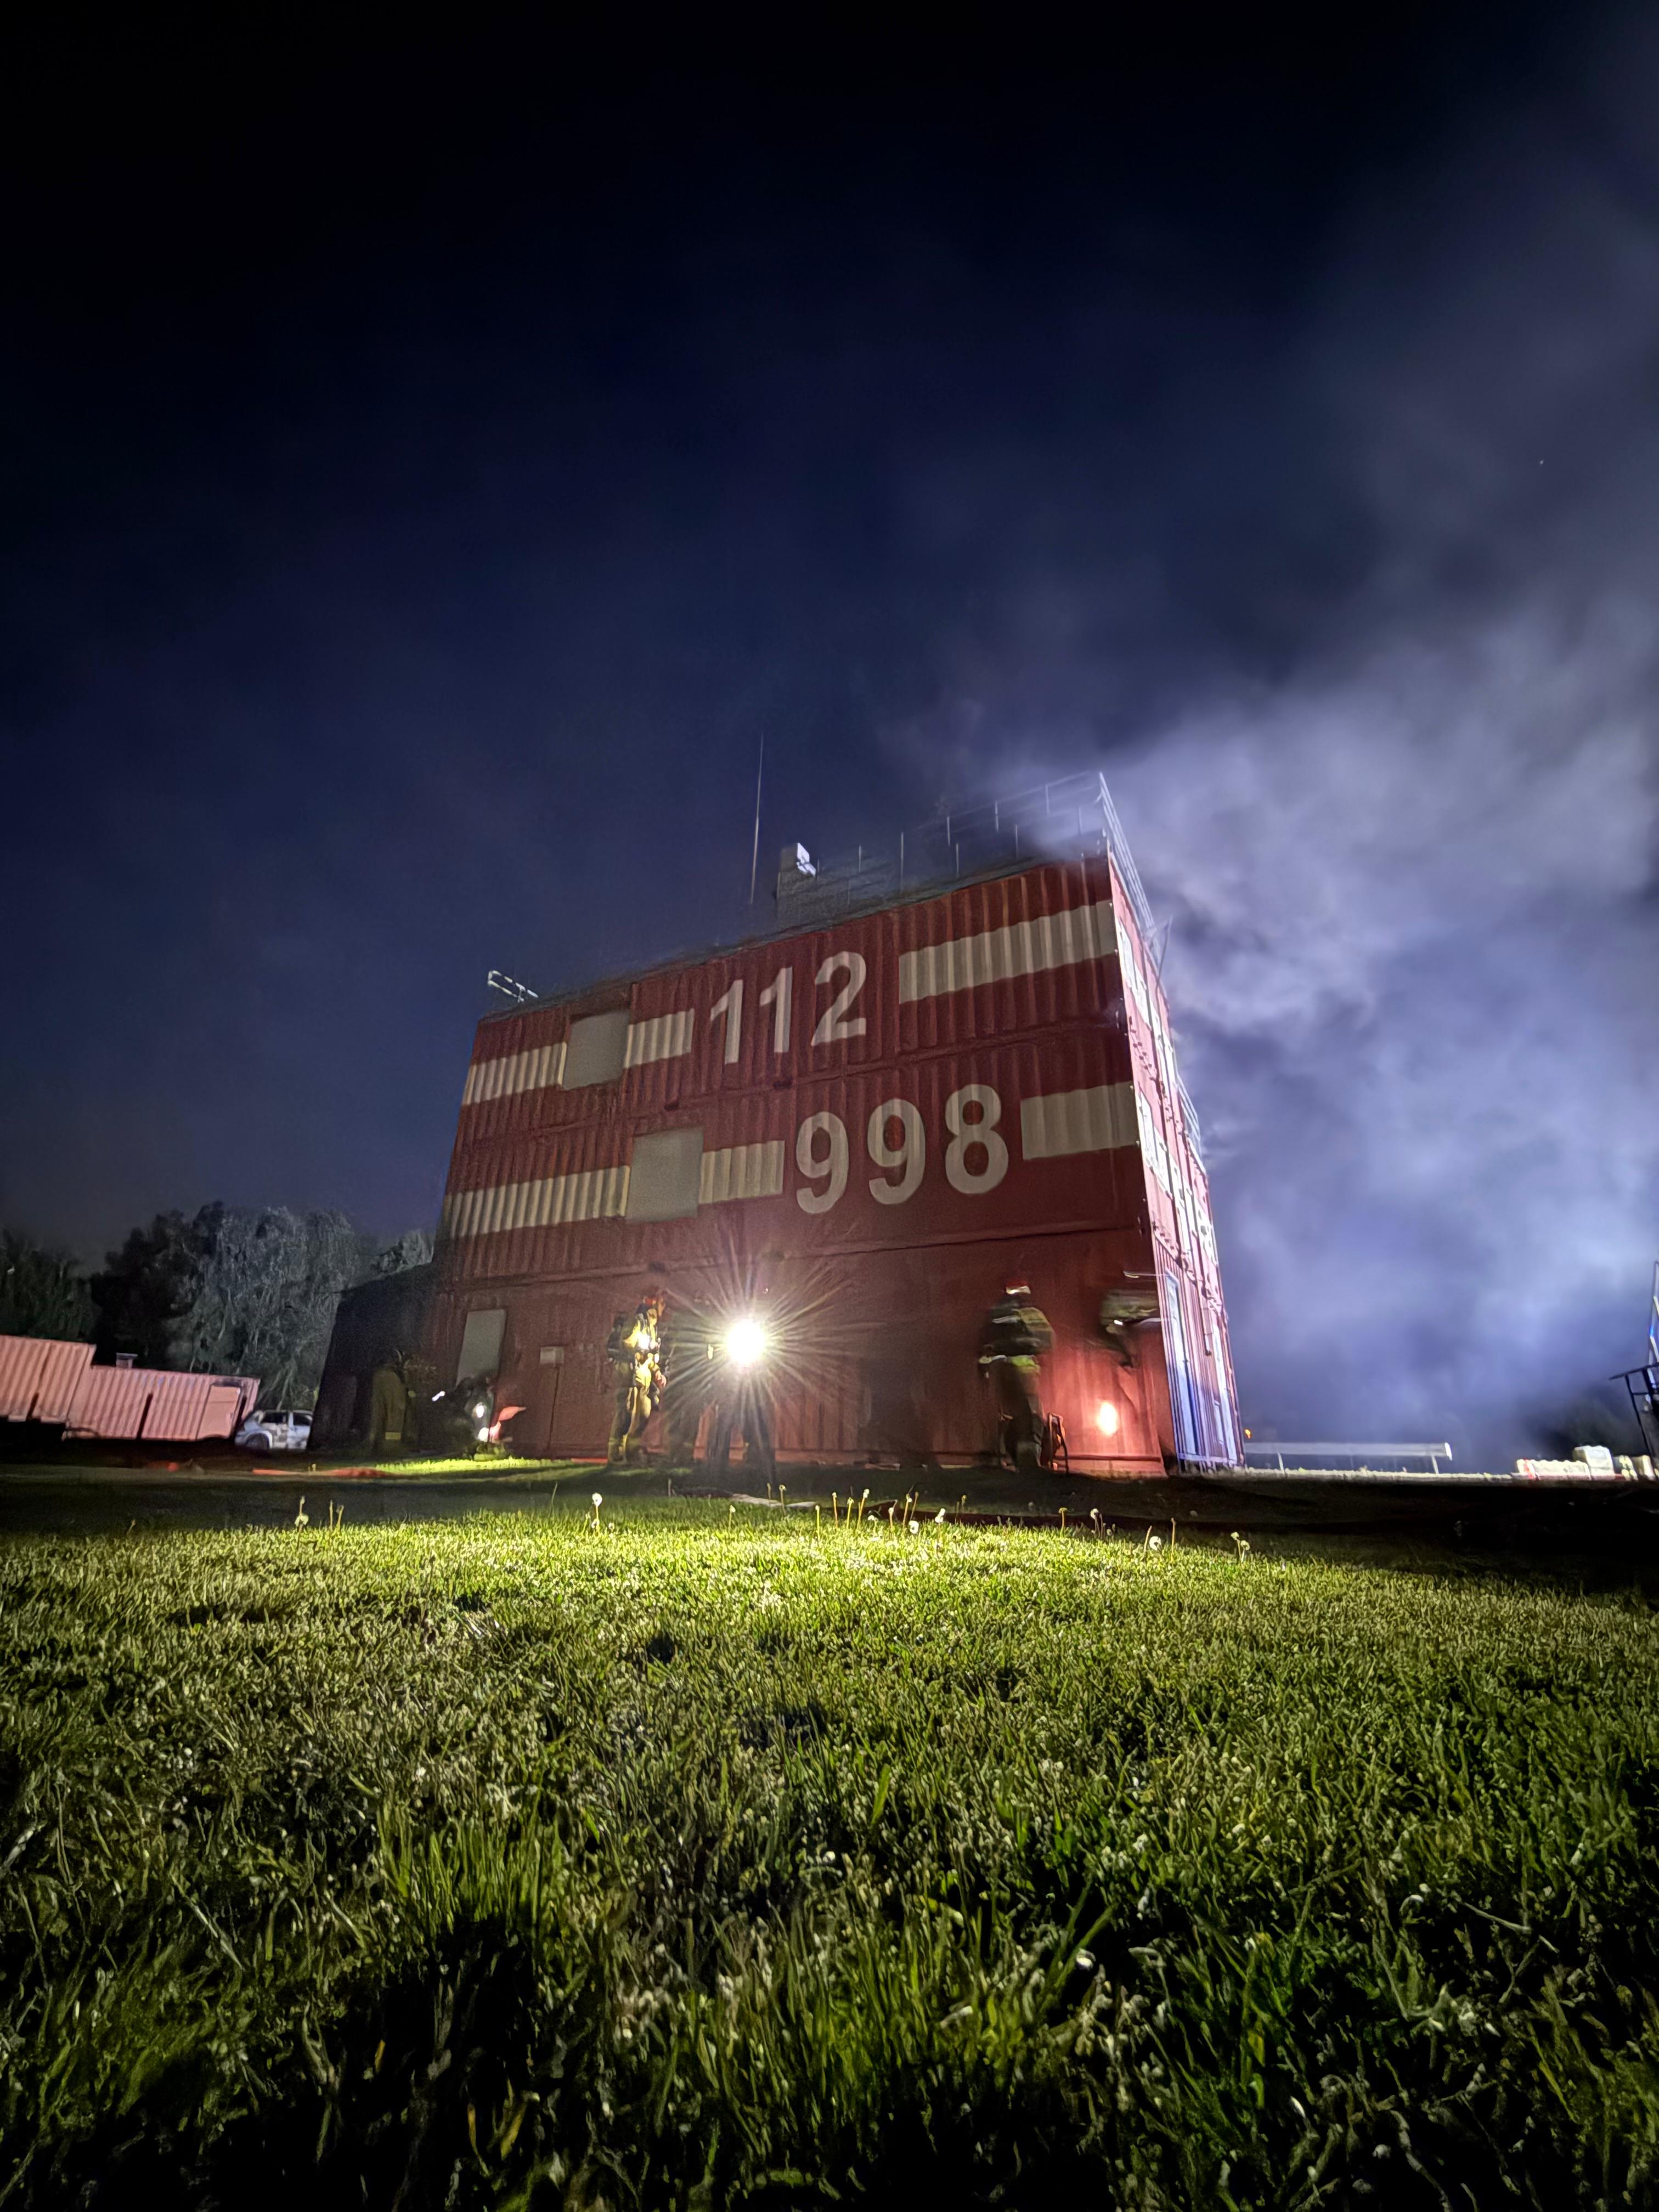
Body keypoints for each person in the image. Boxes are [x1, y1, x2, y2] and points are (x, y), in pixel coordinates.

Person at [979, 1282, 1054, 1476]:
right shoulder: (1030, 1312)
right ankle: (1027, 1461)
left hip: (1000, 1370)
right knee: (1029, 1416)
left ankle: (1002, 1458)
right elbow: (1047, 1340)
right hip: (1022, 1370)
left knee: (1006, 1417)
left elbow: (985, 1343)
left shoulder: (995, 1312)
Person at [706, 1291, 776, 1483]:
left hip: (754, 1386)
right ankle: (715, 1474)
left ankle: (762, 1475)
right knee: (723, 1429)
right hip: (730, 1384)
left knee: (757, 1429)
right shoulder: (726, 1327)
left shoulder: (761, 1326)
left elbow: (769, 1355)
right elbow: (715, 1353)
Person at [606, 1291, 664, 1464]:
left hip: (643, 1378)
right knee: (626, 1416)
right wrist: (646, 1347)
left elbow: (650, 1357)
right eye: (662, 1303)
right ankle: (616, 1455)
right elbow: (627, 1343)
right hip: (630, 1376)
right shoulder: (637, 1321)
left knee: (643, 1416)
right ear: (654, 1303)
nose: (664, 1308)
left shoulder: (652, 1326)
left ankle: (632, 1454)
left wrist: (657, 1371)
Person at [659, 1299, 717, 1466]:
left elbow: (665, 1345)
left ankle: (674, 1455)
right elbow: (710, 1352)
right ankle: (684, 1456)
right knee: (690, 1419)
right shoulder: (705, 1324)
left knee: (676, 1418)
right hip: (694, 1378)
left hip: (678, 1374)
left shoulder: (678, 1321)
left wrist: (663, 1368)